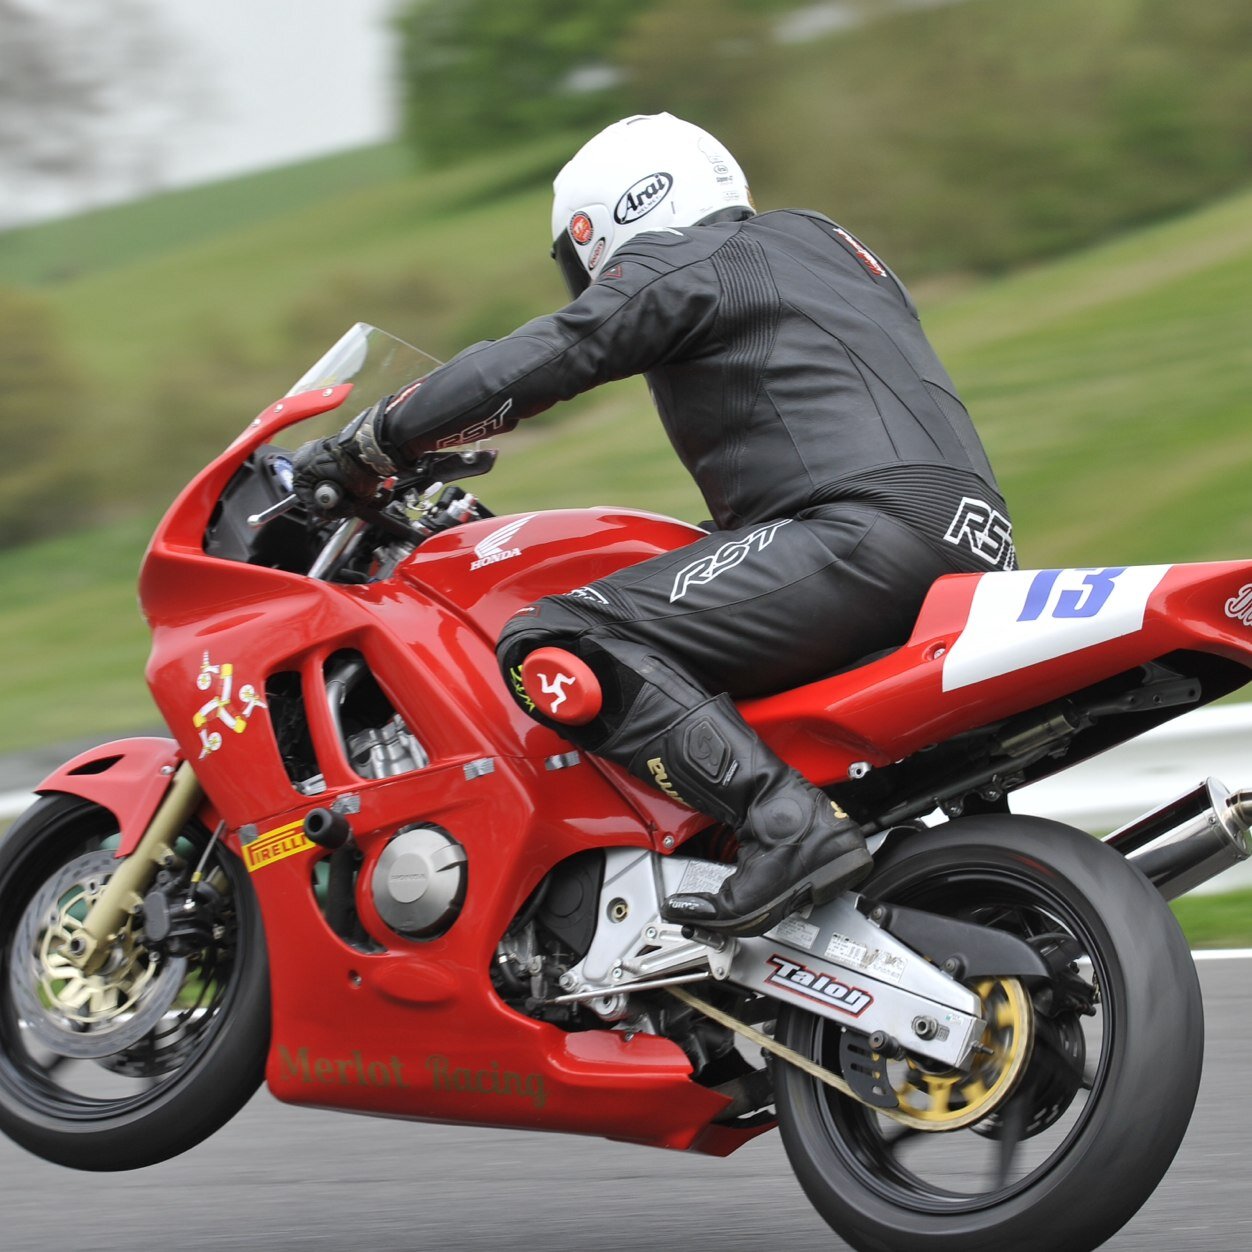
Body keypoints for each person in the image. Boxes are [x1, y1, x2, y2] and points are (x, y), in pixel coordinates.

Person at [292, 112, 1016, 937]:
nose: (592, 276)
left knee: (559, 635)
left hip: (860, 532)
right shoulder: (825, 244)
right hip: (971, 534)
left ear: (610, 222)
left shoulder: (695, 256)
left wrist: (376, 439)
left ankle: (783, 826)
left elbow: (548, 354)